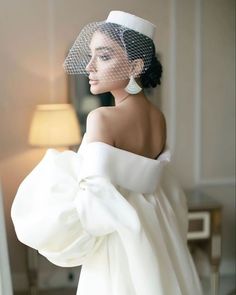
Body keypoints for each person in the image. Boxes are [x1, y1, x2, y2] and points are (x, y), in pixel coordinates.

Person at [11, 11, 203, 295]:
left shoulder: (102, 118)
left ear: (136, 66)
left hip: (120, 241)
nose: (89, 67)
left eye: (103, 57)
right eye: (90, 56)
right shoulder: (157, 117)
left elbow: (93, 206)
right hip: (157, 232)